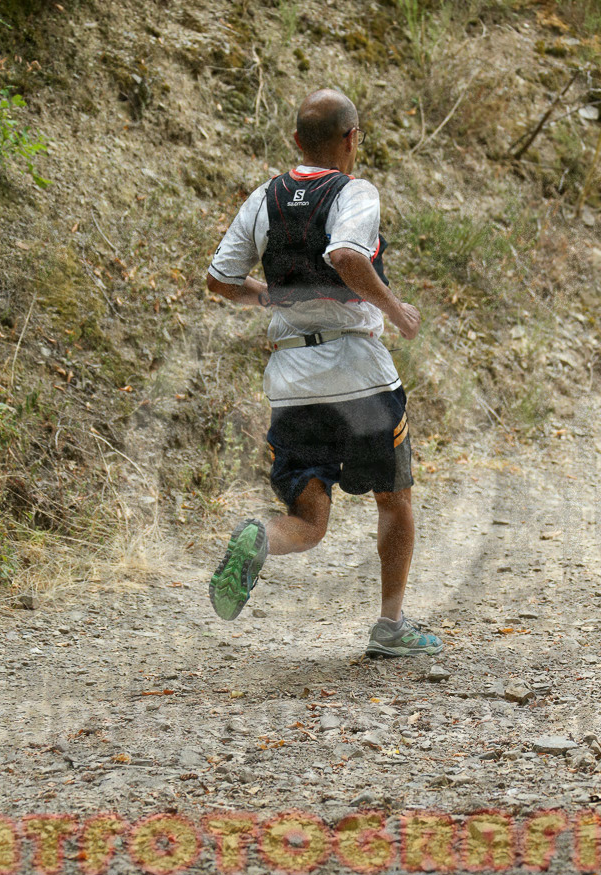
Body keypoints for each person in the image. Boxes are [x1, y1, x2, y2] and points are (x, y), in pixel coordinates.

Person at [206, 88, 443, 658]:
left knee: (308, 518)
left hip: (291, 379)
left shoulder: (263, 198)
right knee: (394, 497)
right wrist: (395, 309)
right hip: (357, 371)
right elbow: (346, 255)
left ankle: (261, 538)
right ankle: (390, 629)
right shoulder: (354, 191)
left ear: (295, 141)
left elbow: (219, 279)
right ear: (351, 139)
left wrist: (268, 297)